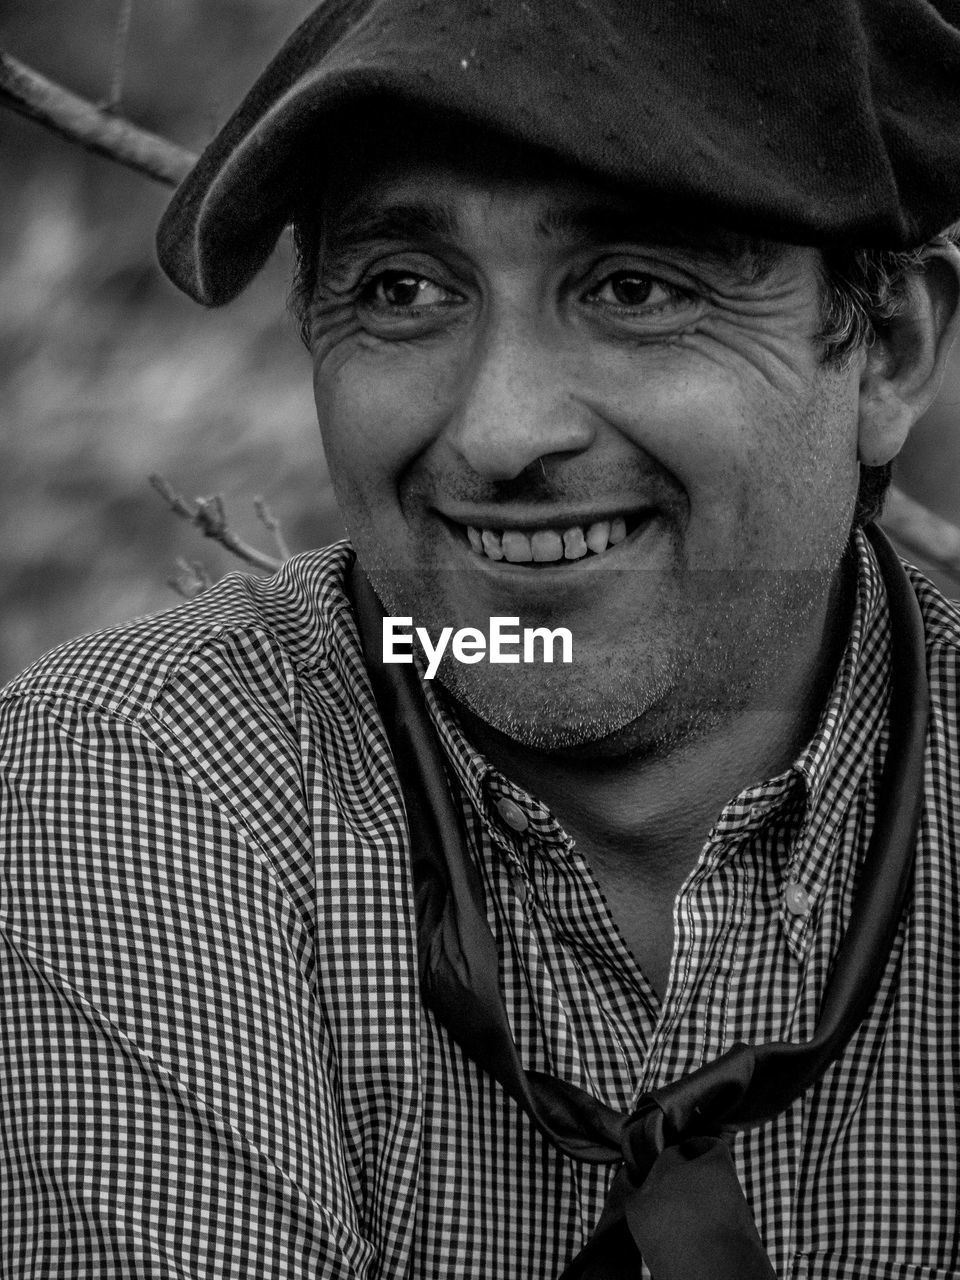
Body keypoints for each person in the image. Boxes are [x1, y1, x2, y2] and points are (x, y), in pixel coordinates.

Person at [4, 1, 960, 1276]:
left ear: (888, 351)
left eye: (636, 287)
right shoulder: (139, 779)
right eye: (402, 291)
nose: (500, 431)